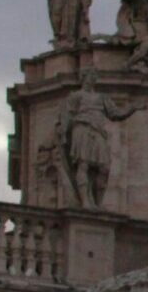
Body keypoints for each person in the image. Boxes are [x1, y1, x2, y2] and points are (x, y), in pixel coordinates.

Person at [58, 72, 136, 208]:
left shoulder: (102, 97)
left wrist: (133, 108)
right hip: (82, 128)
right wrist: (64, 134)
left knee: (104, 168)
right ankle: (85, 202)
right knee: (83, 165)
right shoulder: (75, 96)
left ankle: (98, 203)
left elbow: (115, 114)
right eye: (88, 77)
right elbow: (67, 115)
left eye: (93, 77)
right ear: (83, 79)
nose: (91, 80)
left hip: (98, 131)